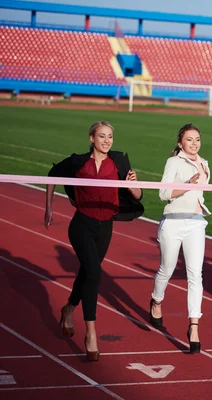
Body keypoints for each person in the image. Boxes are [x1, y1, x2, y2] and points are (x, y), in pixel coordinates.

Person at [45, 121, 144, 362]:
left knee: (88, 273)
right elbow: (52, 174)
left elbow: (139, 195)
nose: (107, 141)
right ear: (92, 138)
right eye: (102, 136)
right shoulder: (79, 162)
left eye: (110, 136)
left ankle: (69, 307)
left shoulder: (119, 163)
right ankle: (91, 334)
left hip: (105, 227)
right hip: (81, 225)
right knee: (95, 274)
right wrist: (48, 206)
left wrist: (133, 186)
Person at [149, 123, 210, 354]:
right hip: (173, 221)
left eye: (197, 139)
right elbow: (164, 193)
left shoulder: (204, 164)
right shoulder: (173, 162)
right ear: (180, 142)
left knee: (195, 274)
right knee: (167, 269)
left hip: (195, 222)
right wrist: (186, 186)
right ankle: (156, 300)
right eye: (189, 140)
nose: (194, 144)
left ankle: (193, 327)